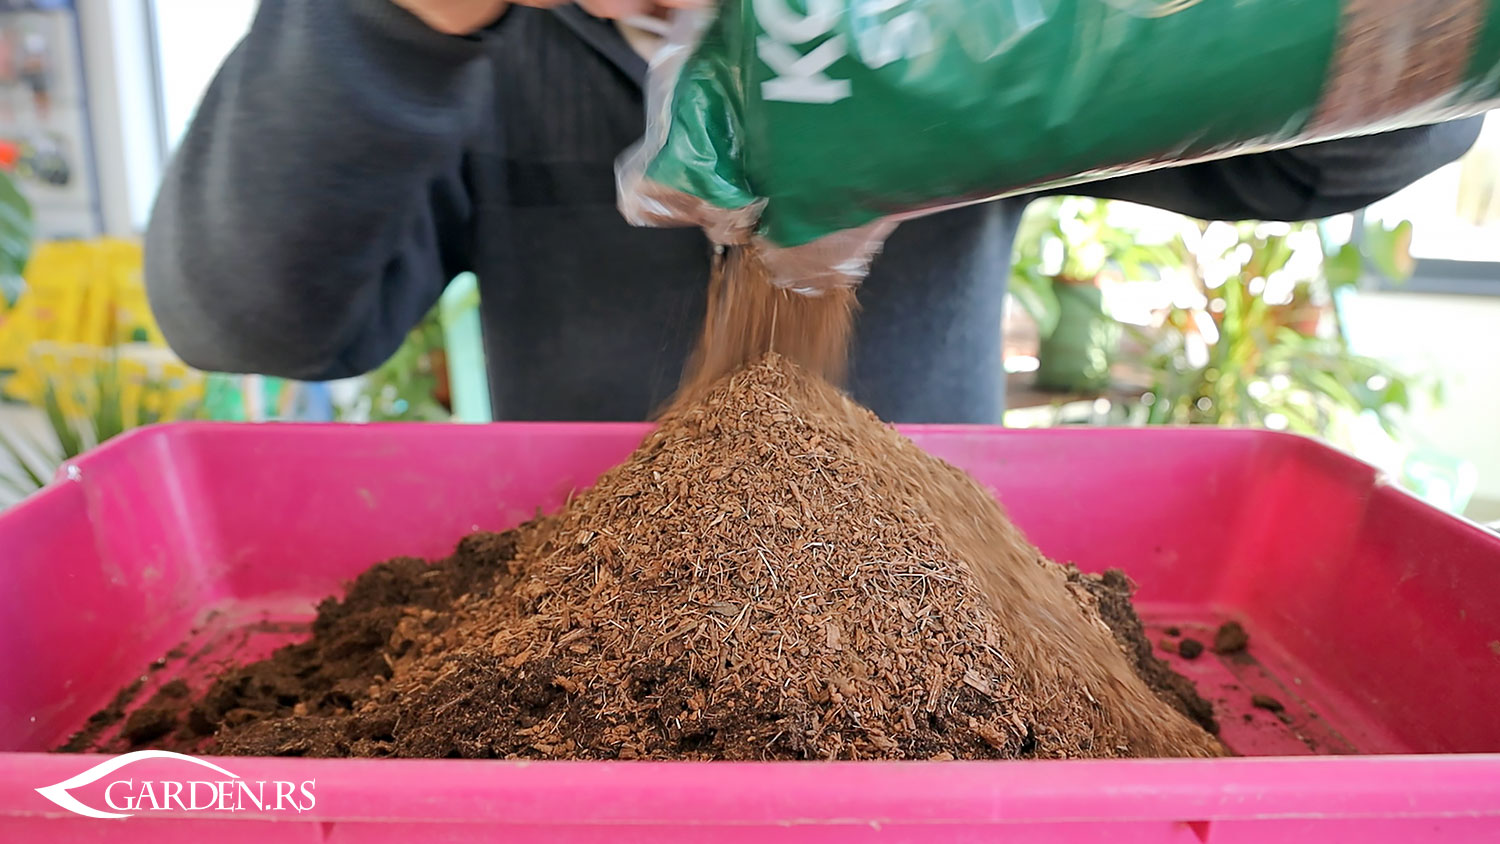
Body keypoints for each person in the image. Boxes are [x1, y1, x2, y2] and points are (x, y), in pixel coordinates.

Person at [145, 0, 1483, 424]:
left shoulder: (931, 42)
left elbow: (1320, 170)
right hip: (582, 618)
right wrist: (405, 19)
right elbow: (251, 319)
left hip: (940, 605)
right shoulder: (492, 50)